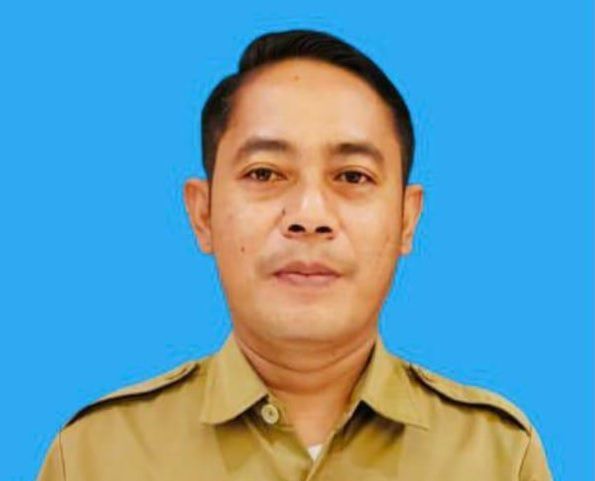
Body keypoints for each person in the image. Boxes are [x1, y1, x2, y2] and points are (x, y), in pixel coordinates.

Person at [36, 29, 554, 481]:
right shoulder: (93, 455)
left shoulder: (497, 455)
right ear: (203, 213)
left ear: (406, 219)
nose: (309, 215)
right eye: (264, 173)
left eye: (352, 176)